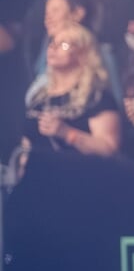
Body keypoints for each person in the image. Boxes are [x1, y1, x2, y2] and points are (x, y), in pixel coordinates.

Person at [18, 24, 122, 169]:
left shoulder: (97, 98)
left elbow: (109, 149)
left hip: (76, 179)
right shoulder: (39, 96)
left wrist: (67, 133)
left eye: (64, 45)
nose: (53, 48)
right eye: (52, 43)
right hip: (36, 180)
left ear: (83, 54)